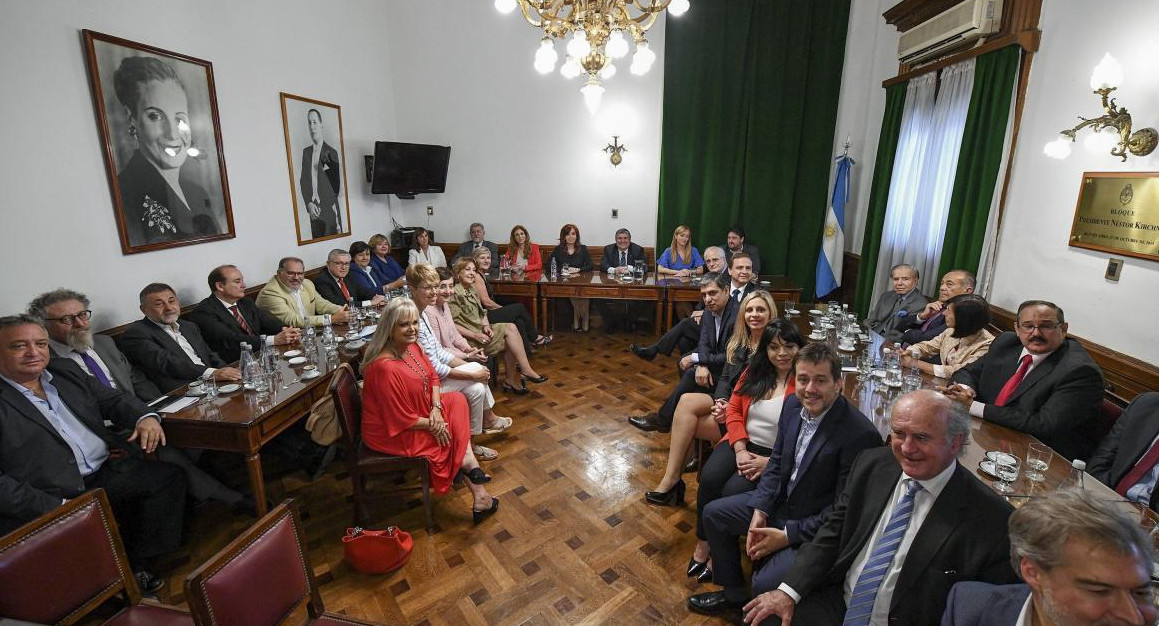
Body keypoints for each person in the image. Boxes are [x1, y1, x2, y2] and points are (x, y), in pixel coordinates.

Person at [740, 390, 1018, 626]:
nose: (907, 448)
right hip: (839, 604)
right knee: (767, 613)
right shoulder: (874, 465)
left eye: (921, 437)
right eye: (899, 433)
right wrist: (789, 592)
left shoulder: (992, 520)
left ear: (956, 442)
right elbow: (833, 531)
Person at [688, 344, 883, 617]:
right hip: (780, 504)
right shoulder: (793, 405)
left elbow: (843, 511)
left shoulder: (859, 434)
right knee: (713, 514)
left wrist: (787, 535)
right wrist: (760, 509)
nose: (810, 388)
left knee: (763, 584)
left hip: (813, 527)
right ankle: (732, 594)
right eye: (803, 379)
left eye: (821, 380)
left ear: (839, 384)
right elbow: (778, 462)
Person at [0, 315, 184, 593]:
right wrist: (54, 505)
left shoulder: (65, 371)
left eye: (40, 343)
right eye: (18, 346)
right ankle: (113, 580)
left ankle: (135, 563)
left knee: (168, 479)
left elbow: (114, 399)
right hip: (51, 492)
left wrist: (145, 417)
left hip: (105, 469)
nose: (34, 352)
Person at [359, 299, 499, 524]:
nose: (412, 329)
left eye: (415, 323)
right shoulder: (384, 368)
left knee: (456, 401)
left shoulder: (412, 347)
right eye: (404, 324)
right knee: (450, 432)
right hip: (393, 432)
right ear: (390, 327)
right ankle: (479, 491)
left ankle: (465, 462)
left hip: (419, 411)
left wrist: (435, 409)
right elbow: (399, 419)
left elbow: (433, 376)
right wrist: (435, 424)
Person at [940, 489, 1158, 626]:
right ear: (1033, 572)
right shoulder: (968, 611)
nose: (1134, 618)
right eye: (1099, 591)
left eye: (1141, 592)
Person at [945, 300, 1104, 461]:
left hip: (1040, 459)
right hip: (988, 436)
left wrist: (972, 406)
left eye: (1046, 326)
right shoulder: (1007, 343)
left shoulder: (1079, 371)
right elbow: (968, 372)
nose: (1036, 333)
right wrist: (964, 390)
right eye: (1028, 326)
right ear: (1017, 328)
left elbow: (1043, 424)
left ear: (1063, 329)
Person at [112, 56, 223, 247]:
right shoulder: (125, 195)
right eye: (155, 116)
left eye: (179, 119)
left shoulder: (196, 191)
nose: (172, 133)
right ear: (132, 119)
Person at [408, 263, 513, 461]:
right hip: (423, 386)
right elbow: (434, 368)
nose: (434, 292)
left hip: (432, 377)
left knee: (477, 386)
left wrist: (467, 361)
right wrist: (471, 372)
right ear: (412, 290)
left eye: (435, 286)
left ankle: (470, 442)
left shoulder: (423, 310)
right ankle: (479, 433)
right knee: (477, 377)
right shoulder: (416, 317)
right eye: (428, 287)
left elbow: (438, 351)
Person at [629, 272, 736, 432]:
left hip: (730, 374)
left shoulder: (737, 315)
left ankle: (664, 419)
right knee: (686, 364)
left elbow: (730, 357)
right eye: (704, 295)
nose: (707, 299)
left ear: (726, 291)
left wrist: (697, 359)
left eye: (713, 293)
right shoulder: (709, 310)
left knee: (689, 371)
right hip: (716, 363)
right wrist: (702, 364)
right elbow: (704, 341)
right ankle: (681, 412)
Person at [28, 289, 161, 402]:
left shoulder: (104, 343)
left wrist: (161, 406)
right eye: (67, 319)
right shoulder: (44, 362)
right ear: (43, 325)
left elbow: (135, 379)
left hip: (139, 416)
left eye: (83, 315)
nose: (80, 323)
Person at [118, 283, 241, 393]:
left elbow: (209, 354)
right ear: (144, 310)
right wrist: (211, 373)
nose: (169, 307)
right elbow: (167, 363)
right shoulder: (137, 333)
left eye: (171, 301)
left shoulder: (188, 326)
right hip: (183, 391)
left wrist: (227, 372)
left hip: (214, 382)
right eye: (159, 304)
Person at [448, 257, 546, 395]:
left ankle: (516, 376)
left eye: (474, 270)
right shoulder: (454, 292)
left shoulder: (472, 289)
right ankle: (522, 372)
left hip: (481, 332)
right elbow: (453, 325)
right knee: (511, 335)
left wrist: (486, 326)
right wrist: (476, 334)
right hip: (469, 339)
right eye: (467, 269)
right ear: (458, 272)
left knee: (512, 330)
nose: (472, 273)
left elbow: (482, 313)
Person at [630, 246, 728, 360]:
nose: (711, 264)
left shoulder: (729, 277)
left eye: (715, 260)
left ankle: (654, 350)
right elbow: (703, 299)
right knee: (683, 341)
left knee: (686, 323)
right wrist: (698, 310)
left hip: (722, 325)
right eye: (708, 261)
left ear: (724, 260)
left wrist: (705, 312)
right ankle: (689, 370)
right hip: (711, 319)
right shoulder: (711, 275)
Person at [187, 265, 300, 363]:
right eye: (237, 281)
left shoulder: (245, 302)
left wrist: (288, 330)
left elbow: (268, 321)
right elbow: (231, 340)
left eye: (242, 280)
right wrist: (273, 340)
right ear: (220, 286)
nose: (244, 285)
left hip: (262, 356)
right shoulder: (204, 312)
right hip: (235, 364)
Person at [1088, 392, 1159, 511]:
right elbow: (1101, 459)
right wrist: (1102, 499)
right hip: (1104, 499)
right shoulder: (1146, 403)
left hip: (1148, 522)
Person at [472, 247, 551, 350]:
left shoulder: (482, 274)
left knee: (519, 321)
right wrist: (502, 309)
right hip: (485, 316)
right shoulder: (477, 276)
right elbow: (487, 303)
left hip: (489, 312)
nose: (486, 260)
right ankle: (535, 337)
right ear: (475, 260)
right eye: (482, 258)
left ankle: (525, 353)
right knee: (519, 308)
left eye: (488, 258)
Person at [900, 294, 994, 379]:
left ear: (963, 318)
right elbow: (928, 346)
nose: (944, 313)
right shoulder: (951, 331)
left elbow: (958, 371)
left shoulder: (987, 345)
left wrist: (915, 363)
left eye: (949, 310)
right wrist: (911, 352)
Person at [256, 257, 350, 328]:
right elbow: (293, 321)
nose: (296, 278)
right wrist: (332, 319)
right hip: (285, 340)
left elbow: (322, 305)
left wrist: (343, 310)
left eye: (300, 273)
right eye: (291, 273)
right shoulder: (270, 293)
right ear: (279, 273)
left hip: (310, 332)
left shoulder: (307, 284)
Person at [898, 270, 975, 347]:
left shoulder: (963, 313)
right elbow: (900, 326)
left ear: (968, 290)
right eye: (942, 283)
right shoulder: (938, 305)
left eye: (949, 284)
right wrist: (922, 316)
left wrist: (907, 331)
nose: (942, 288)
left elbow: (925, 339)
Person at [300, 108, 343, 238]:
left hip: (329, 209)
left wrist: (323, 206)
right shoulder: (306, 152)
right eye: (309, 123)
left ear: (321, 124)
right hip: (314, 211)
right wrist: (309, 203)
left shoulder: (331, 152)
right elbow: (304, 181)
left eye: (314, 122)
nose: (312, 127)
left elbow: (335, 187)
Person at [598, 228, 649, 332]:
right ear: (615, 240)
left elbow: (645, 268)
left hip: (633, 286)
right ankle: (611, 321)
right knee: (597, 297)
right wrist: (615, 269)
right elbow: (603, 265)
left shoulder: (637, 249)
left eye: (625, 238)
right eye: (619, 238)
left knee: (644, 298)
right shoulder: (608, 249)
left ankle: (629, 322)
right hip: (612, 285)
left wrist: (629, 268)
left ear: (630, 240)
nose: (622, 241)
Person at [865, 264, 930, 343]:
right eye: (896, 279)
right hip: (872, 336)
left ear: (915, 281)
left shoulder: (921, 304)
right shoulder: (886, 296)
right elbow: (872, 320)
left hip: (892, 343)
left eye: (905, 279)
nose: (899, 283)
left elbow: (905, 334)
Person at [548, 223, 594, 332]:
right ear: (563, 236)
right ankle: (580, 320)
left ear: (577, 235)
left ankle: (581, 320)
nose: (570, 236)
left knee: (583, 295)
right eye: (567, 234)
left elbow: (590, 266)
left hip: (581, 281)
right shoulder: (558, 249)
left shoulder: (582, 248)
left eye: (573, 234)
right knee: (574, 294)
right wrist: (562, 270)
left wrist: (579, 269)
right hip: (565, 282)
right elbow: (548, 266)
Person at [314, 249, 384, 307]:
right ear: (328, 264)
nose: (343, 268)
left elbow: (363, 293)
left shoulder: (349, 274)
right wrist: (370, 303)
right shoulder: (322, 281)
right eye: (338, 263)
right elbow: (339, 304)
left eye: (347, 263)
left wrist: (377, 298)